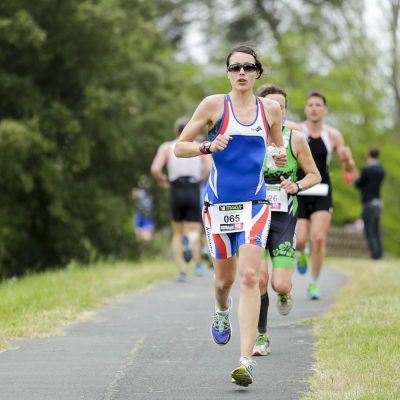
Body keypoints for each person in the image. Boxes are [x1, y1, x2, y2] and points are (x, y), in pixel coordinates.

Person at [174, 45, 287, 387]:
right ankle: (221, 310)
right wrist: (208, 146)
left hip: (255, 204)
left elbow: (277, 149)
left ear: (257, 73)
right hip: (218, 207)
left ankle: (245, 361)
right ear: (227, 73)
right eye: (235, 67)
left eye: (247, 67)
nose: (241, 72)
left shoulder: (270, 110)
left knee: (251, 277)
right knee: (225, 281)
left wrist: (278, 160)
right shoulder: (213, 105)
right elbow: (181, 146)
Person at [252, 85, 321, 357]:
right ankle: (261, 336)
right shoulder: (251, 138)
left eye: (279, 106)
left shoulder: (296, 139)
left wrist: (297, 186)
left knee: (279, 283)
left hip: (284, 218)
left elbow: (314, 174)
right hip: (255, 217)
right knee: (258, 279)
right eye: (270, 105)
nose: (275, 110)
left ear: (284, 110)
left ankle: (283, 292)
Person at [286, 92, 355, 300]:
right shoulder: (296, 130)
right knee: (300, 241)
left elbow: (349, 168)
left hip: (323, 190)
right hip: (300, 187)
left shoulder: (333, 135)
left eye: (318, 105)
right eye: (310, 105)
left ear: (325, 110)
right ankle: (303, 252)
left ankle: (314, 283)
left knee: (319, 237)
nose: (314, 108)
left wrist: (348, 160)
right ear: (306, 109)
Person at [150, 117, 212, 282]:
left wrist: (162, 180)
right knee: (193, 230)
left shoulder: (167, 147)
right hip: (192, 188)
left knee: (177, 232)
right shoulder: (198, 148)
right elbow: (209, 169)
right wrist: (200, 179)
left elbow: (155, 169)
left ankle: (182, 271)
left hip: (175, 188)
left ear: (176, 131)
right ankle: (197, 263)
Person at [353, 147, 385, 259]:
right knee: (376, 230)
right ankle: (379, 253)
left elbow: (359, 184)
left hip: (368, 203)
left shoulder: (367, 169)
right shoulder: (382, 170)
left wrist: (354, 179)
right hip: (378, 202)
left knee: (369, 230)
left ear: (369, 156)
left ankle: (374, 255)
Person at [131, 175, 155, 241]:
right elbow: (133, 195)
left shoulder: (149, 192)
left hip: (147, 216)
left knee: (147, 237)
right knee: (138, 236)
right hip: (140, 215)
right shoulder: (139, 191)